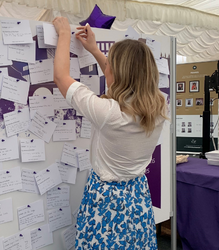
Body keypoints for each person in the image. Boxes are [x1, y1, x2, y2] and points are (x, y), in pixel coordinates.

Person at [52, 17, 167, 249]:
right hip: (137, 195)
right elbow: (127, 79)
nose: (106, 68)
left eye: (108, 66)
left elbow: (61, 78)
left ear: (115, 72)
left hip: (106, 199)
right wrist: (95, 50)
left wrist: (63, 35)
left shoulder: (108, 113)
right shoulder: (158, 105)